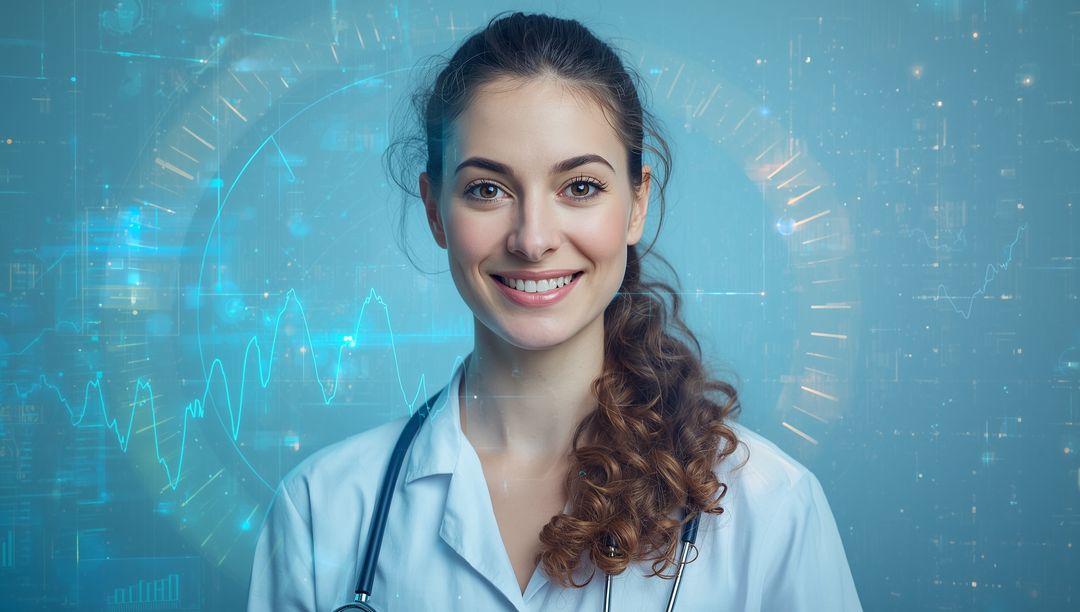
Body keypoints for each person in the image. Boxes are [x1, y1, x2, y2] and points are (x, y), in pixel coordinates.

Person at [247, 11, 862, 611]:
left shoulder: (771, 507)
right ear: (435, 210)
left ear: (637, 204)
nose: (533, 238)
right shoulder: (319, 513)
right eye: (487, 190)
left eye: (580, 187)